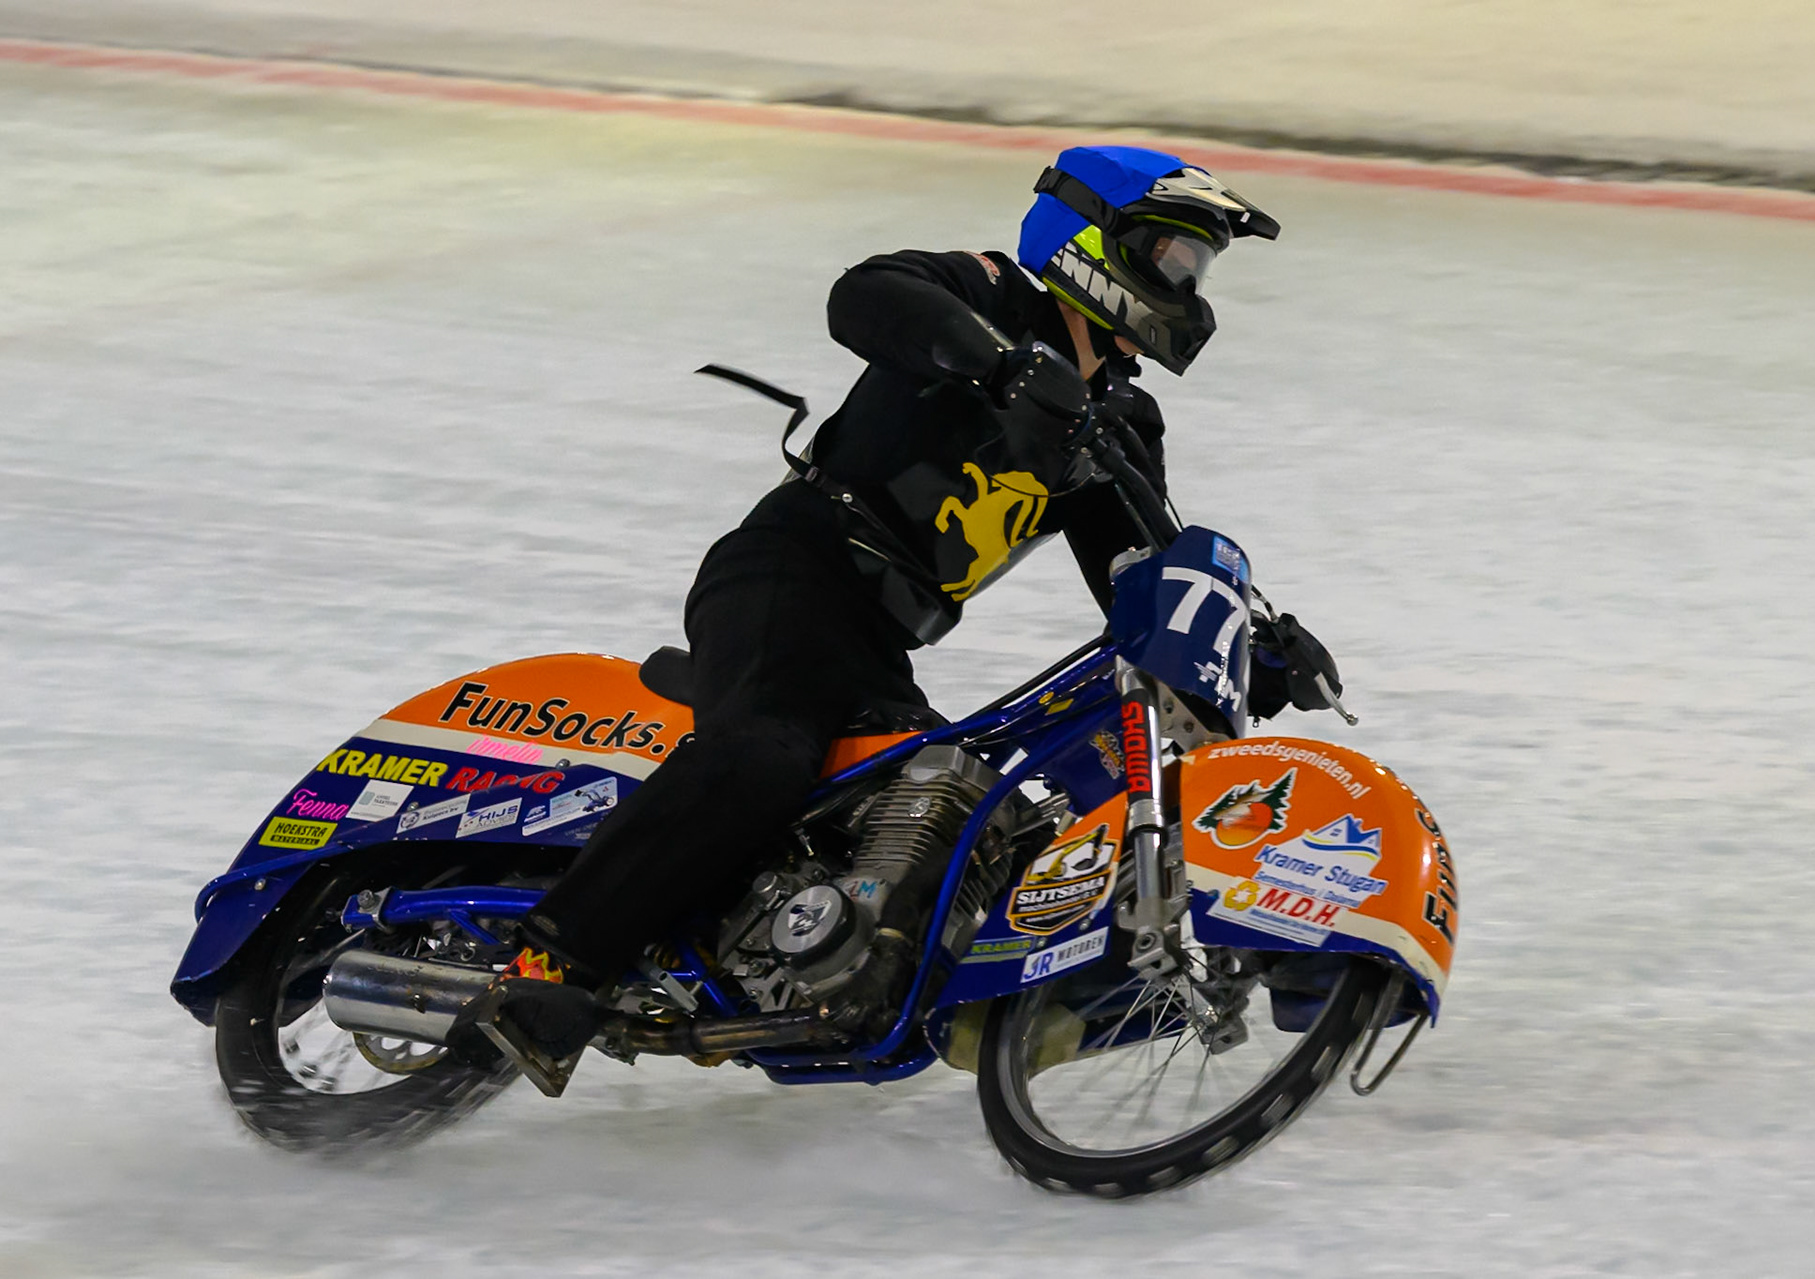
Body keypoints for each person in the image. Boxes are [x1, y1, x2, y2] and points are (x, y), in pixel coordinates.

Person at [450, 144, 1342, 1091]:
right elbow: (863, 297)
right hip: (791, 574)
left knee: (951, 824)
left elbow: (1137, 568)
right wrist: (1002, 367)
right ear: (1096, 239)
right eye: (1172, 257)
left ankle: (921, 997)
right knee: (763, 751)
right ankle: (549, 962)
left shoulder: (1118, 423)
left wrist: (1252, 644)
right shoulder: (990, 294)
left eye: (1197, 268)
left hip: (880, 641)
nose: (1187, 285)